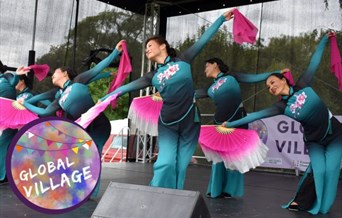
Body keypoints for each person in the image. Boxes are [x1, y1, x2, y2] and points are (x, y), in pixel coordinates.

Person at [99, 10, 235, 189]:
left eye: (150, 45)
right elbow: (125, 88)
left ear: (163, 46)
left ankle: (174, 199)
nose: (146, 49)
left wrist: (220, 19)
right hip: (168, 122)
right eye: (145, 47)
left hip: (190, 120)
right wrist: (106, 98)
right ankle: (157, 193)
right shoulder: (152, 75)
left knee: (180, 166)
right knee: (165, 163)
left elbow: (202, 40)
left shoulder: (183, 60)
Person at [223, 33, 342, 215]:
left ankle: (323, 207)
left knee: (332, 170)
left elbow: (314, 62)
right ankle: (309, 204)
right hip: (314, 141)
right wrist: (231, 124)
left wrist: (325, 40)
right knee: (319, 172)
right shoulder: (280, 106)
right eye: (268, 87)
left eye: (272, 82)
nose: (270, 87)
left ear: (283, 79)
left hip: (335, 133)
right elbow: (254, 115)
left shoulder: (303, 84)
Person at [22, 40, 125, 197]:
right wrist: (25, 103)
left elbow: (98, 68)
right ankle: (77, 188)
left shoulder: (78, 81)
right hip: (81, 129)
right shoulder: (58, 96)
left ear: (65, 73)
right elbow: (43, 111)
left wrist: (115, 52)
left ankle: (90, 194)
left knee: (93, 157)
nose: (53, 75)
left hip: (99, 125)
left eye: (55, 72)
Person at [196, 57, 286, 198]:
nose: (205, 69)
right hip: (220, 124)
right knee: (219, 155)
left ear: (215, 64)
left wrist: (276, 72)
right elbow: (191, 94)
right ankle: (216, 189)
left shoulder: (232, 76)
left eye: (207, 65)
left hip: (237, 120)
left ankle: (230, 190)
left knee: (234, 154)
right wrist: (166, 94)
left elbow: (253, 78)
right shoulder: (210, 88)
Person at [0, 70, 21, 184]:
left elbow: (14, 81)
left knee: (3, 145)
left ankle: (3, 176)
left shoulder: (5, 80)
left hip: (7, 122)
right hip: (4, 121)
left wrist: (17, 74)